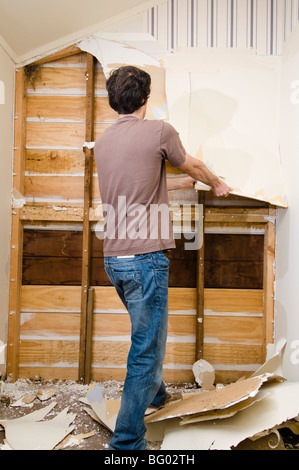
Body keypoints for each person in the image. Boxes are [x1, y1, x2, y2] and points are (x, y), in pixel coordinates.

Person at [94, 65, 231, 450]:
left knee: (145, 336)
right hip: (144, 259)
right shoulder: (159, 130)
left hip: (115, 260)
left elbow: (143, 181)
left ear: (114, 100)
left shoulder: (104, 143)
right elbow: (193, 164)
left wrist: (182, 183)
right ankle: (125, 445)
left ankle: (154, 397)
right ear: (145, 98)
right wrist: (215, 182)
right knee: (147, 349)